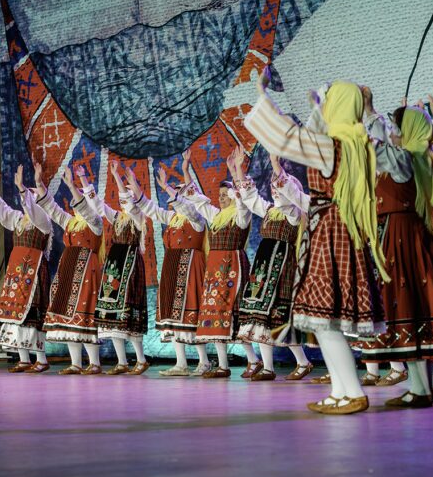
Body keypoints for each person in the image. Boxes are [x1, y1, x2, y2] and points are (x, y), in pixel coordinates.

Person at [245, 68, 387, 414]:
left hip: (329, 231)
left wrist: (263, 95)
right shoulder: (358, 144)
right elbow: (308, 135)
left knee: (325, 320)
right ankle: (341, 390)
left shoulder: (331, 147)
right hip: (341, 229)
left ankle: (351, 391)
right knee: (325, 321)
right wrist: (319, 109)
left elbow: (287, 139)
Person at [357, 92, 433, 407]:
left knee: (407, 310)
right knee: (417, 310)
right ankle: (425, 387)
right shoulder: (420, 156)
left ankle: (421, 389)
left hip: (401, 238)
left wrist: (365, 115)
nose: (393, 132)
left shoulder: (406, 160)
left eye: (398, 127)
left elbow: (377, 148)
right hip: (409, 237)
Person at [229, 152, 313, 381]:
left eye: (279, 187)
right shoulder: (269, 210)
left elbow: (288, 197)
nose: (275, 190)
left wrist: (276, 166)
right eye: (273, 188)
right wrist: (238, 170)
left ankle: (303, 362)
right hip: (263, 267)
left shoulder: (293, 213)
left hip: (281, 266)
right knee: (259, 315)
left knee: (279, 316)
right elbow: (250, 197)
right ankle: (267, 368)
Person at [124, 160, 211, 376]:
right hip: (172, 266)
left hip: (190, 267)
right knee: (172, 315)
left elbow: (186, 208)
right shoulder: (172, 217)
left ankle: (204, 361)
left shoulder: (197, 217)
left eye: (181, 193)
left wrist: (166, 187)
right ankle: (181, 363)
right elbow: (151, 209)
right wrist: (136, 187)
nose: (176, 197)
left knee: (192, 312)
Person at [180, 147, 255, 378]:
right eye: (220, 195)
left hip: (233, 268)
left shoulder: (240, 215)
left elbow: (242, 201)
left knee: (235, 314)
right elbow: (196, 198)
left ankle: (254, 360)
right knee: (214, 316)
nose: (221, 198)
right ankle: (223, 366)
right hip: (214, 271)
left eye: (226, 195)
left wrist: (236, 170)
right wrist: (185, 169)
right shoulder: (215, 216)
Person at [35, 162, 105, 374]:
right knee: (67, 314)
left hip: (86, 270)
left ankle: (95, 363)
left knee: (85, 313)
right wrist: (39, 183)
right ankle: (76, 363)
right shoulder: (71, 222)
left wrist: (72, 186)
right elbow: (52, 208)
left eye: (79, 200)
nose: (75, 203)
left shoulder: (95, 222)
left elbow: (85, 209)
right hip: (69, 268)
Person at [0, 167, 52, 373]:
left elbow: (34, 211)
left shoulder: (44, 221)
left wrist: (22, 188)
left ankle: (41, 359)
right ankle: (24, 359)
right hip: (17, 274)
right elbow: (2, 212)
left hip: (34, 272)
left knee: (33, 315)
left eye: (32, 194)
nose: (28, 197)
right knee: (15, 314)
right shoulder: (19, 219)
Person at [94, 160, 149, 375]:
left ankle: (141, 360)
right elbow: (98, 205)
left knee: (129, 312)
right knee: (112, 314)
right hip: (115, 265)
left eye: (127, 196)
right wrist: (82, 181)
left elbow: (130, 205)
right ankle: (122, 362)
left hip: (130, 265)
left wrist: (118, 177)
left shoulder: (138, 216)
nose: (123, 200)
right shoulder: (116, 216)